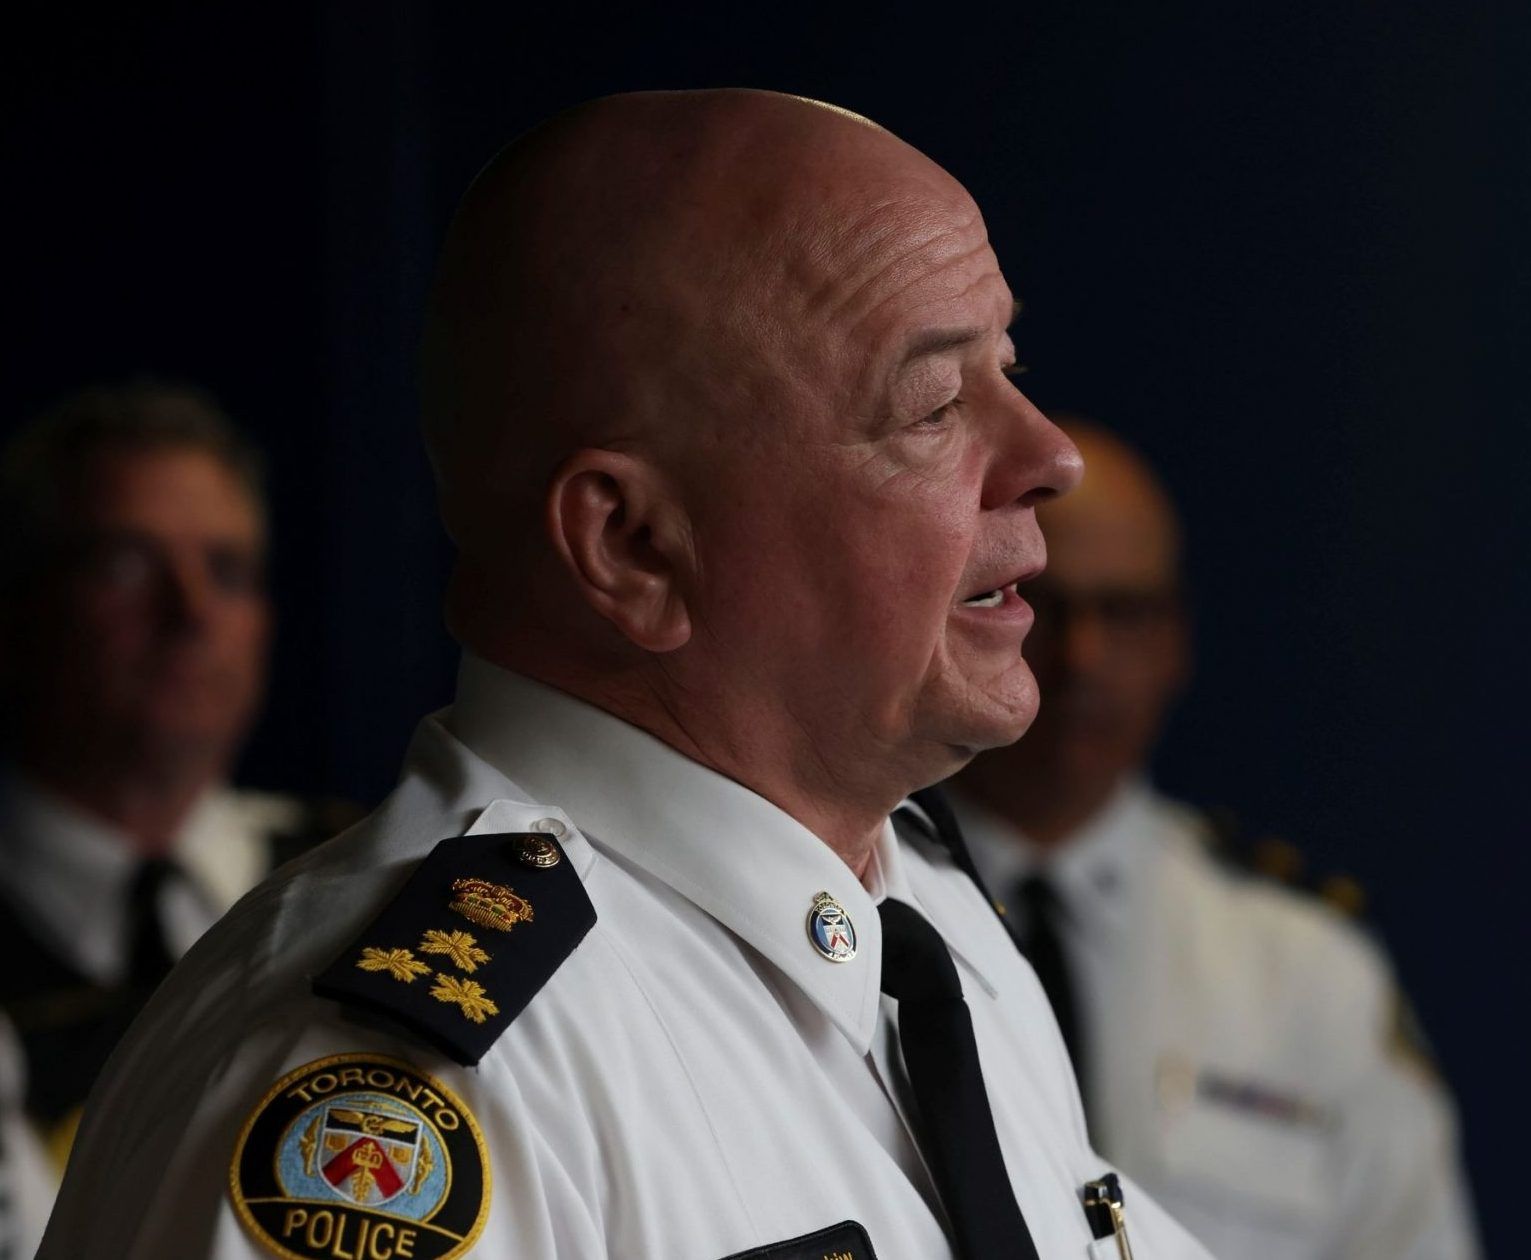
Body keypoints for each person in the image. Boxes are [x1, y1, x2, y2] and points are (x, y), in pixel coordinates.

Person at [39, 91, 1214, 1258]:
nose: (1049, 455)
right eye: (937, 405)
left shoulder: (935, 933)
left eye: (1010, 366)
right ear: (635, 546)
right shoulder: (420, 1093)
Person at [947, 418, 1482, 1260]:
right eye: (1044, 605)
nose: (1083, 657)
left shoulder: (1308, 972)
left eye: (1124, 614)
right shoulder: (869, 909)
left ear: (1175, 643)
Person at [0, 384, 353, 1183]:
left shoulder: (374, 877)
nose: (191, 610)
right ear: (17, 613)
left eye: (227, 570)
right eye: (126, 563)